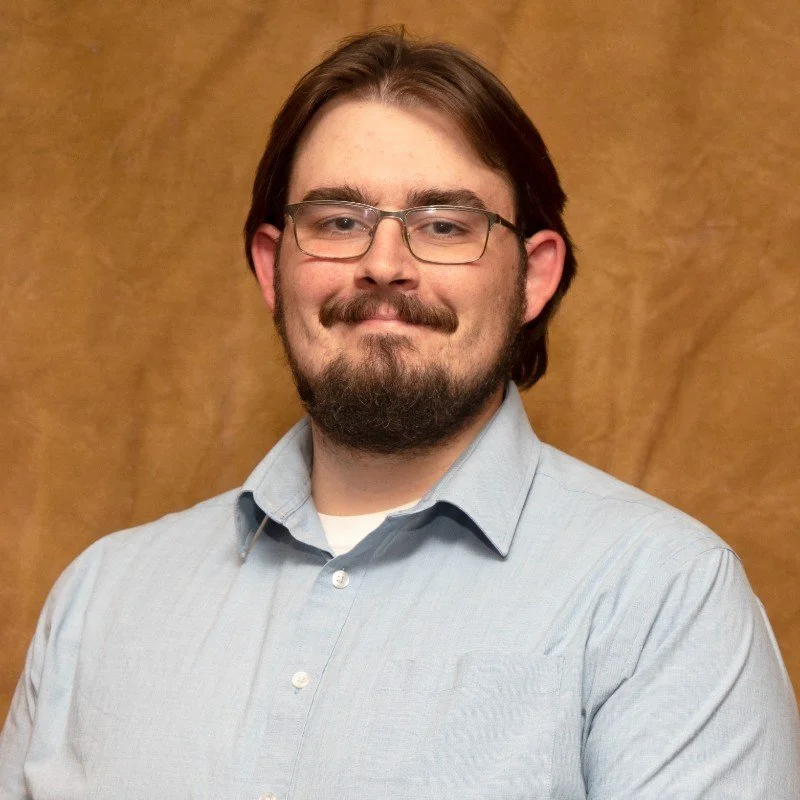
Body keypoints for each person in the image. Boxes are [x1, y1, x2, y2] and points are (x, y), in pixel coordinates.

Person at [1, 29, 798, 800]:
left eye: (444, 226)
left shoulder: (663, 599)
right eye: (338, 221)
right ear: (272, 269)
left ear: (533, 278)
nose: (384, 265)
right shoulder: (97, 602)